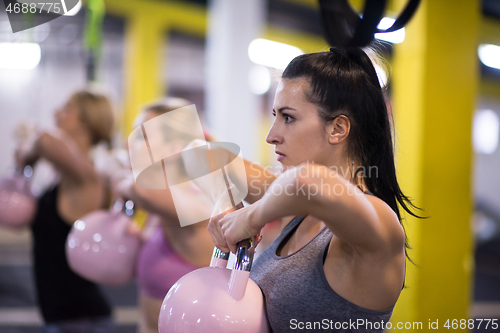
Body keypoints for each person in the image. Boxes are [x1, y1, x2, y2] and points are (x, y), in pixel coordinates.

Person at [207, 47, 424, 333]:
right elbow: (213, 161)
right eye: (274, 115)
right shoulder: (301, 207)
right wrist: (225, 211)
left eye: (288, 117)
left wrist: (248, 219)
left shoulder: (379, 222)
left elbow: (306, 182)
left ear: (337, 129)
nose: (271, 135)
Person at [112, 98, 216, 333]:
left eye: (143, 137)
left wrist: (123, 184)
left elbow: (137, 188)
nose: (130, 145)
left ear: (175, 148)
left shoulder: (197, 202)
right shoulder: (162, 203)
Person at [15, 90, 115, 333]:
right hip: (64, 319)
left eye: (67, 108)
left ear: (86, 122)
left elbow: (44, 140)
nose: (56, 113)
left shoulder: (87, 179)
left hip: (81, 321)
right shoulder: (65, 179)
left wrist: (28, 150)